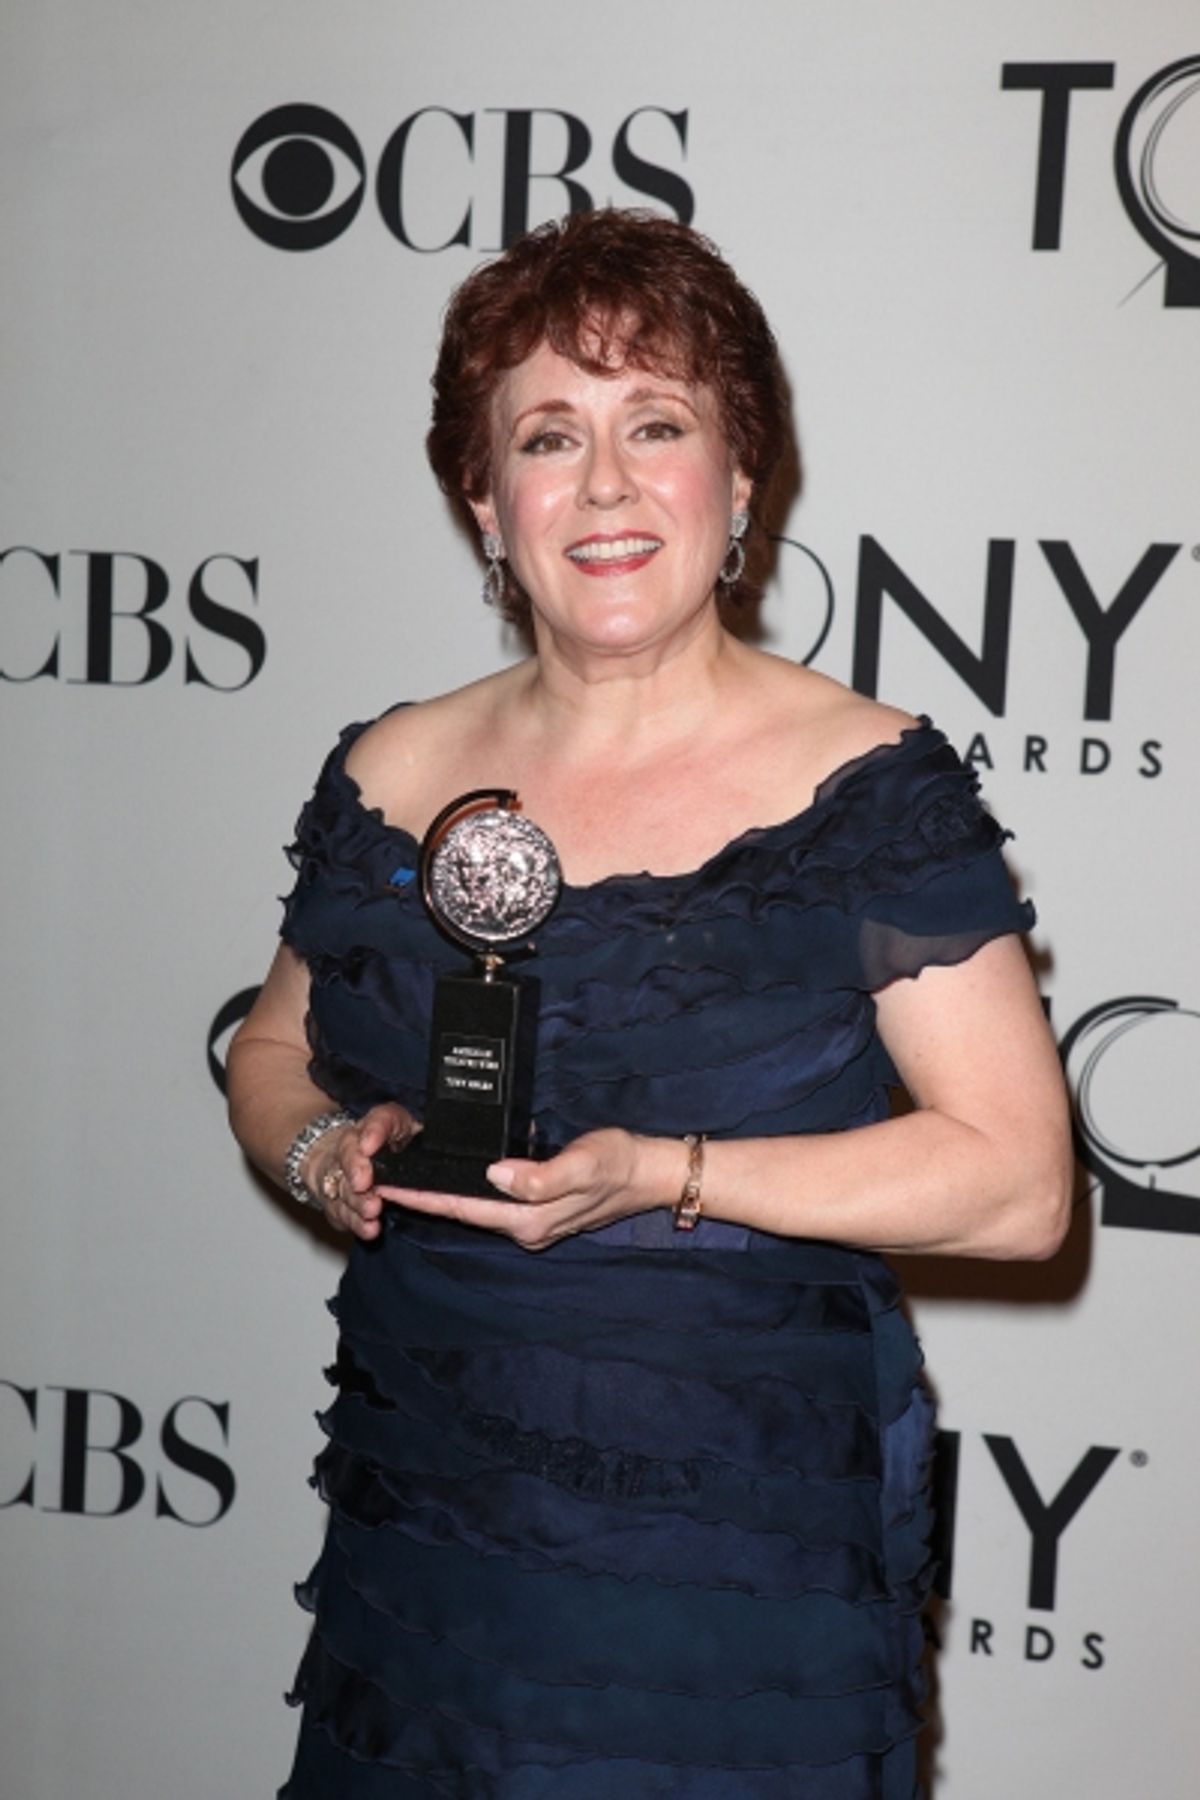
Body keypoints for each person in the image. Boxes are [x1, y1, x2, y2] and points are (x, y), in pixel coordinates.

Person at [227, 208, 1072, 1799]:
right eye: (551, 436)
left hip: (733, 1572)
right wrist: (325, 1145)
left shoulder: (865, 786)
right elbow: (270, 1050)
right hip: (430, 1551)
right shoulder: (388, 770)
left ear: (741, 478)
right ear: (486, 499)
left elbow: (1022, 1186)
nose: (606, 483)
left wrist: (663, 1174)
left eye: (658, 425)